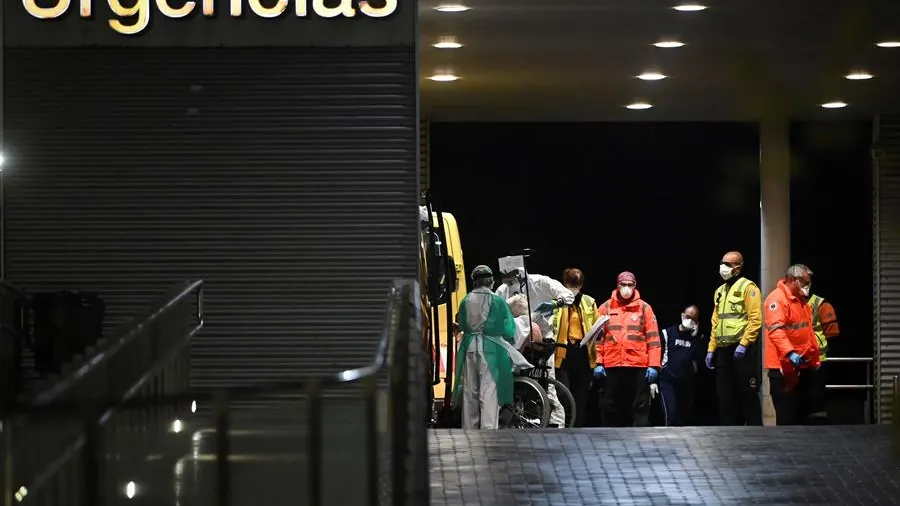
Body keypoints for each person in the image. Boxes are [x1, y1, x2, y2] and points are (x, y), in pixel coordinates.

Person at [496, 266, 574, 427]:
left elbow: (568, 296)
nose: (510, 286)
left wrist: (554, 304)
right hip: (520, 339)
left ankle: (558, 426)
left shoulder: (540, 282)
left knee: (549, 390)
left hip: (540, 342)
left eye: (513, 281)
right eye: (508, 281)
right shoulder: (503, 290)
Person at [451, 265, 517, 429]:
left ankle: (469, 429)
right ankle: (488, 430)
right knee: (489, 390)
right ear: (491, 281)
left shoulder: (466, 300)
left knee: (469, 390)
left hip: (469, 347)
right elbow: (509, 329)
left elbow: (463, 325)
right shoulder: (497, 300)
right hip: (491, 348)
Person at [593, 271, 661, 427]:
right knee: (609, 405)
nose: (626, 288)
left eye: (630, 285)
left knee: (640, 406)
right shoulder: (605, 307)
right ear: (617, 285)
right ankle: (610, 440)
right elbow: (597, 339)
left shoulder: (644, 308)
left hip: (637, 365)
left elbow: (653, 339)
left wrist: (654, 365)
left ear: (635, 285)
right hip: (612, 365)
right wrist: (598, 363)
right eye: (623, 285)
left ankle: (641, 442)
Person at [706, 250, 763, 426]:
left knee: (747, 394)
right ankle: (730, 434)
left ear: (738, 268)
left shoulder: (748, 288)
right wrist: (711, 349)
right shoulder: (720, 291)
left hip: (741, 350)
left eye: (728, 265)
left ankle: (756, 433)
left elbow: (755, 319)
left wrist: (744, 344)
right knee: (725, 396)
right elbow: (715, 323)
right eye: (722, 263)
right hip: (723, 350)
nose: (723, 268)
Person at [763, 264, 823, 425]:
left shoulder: (800, 301)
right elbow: (776, 331)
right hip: (783, 368)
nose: (808, 285)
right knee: (787, 420)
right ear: (792, 280)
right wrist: (790, 353)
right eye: (804, 281)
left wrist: (814, 359)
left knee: (803, 418)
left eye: (809, 281)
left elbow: (808, 332)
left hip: (802, 366)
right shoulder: (777, 300)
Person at [551, 268, 598, 428]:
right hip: (563, 352)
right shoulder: (557, 300)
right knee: (563, 395)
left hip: (583, 352)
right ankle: (564, 426)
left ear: (581, 285)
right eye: (571, 285)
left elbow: (596, 325)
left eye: (577, 285)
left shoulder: (589, 302)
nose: (574, 288)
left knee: (581, 395)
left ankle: (578, 428)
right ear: (565, 284)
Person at [658, 305, 707, 426]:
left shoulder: (698, 338)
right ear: (682, 315)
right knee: (671, 414)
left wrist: (695, 338)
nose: (690, 320)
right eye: (688, 317)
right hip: (667, 380)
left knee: (682, 416)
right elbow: (657, 354)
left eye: (694, 319)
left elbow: (699, 358)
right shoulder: (667, 333)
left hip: (686, 382)